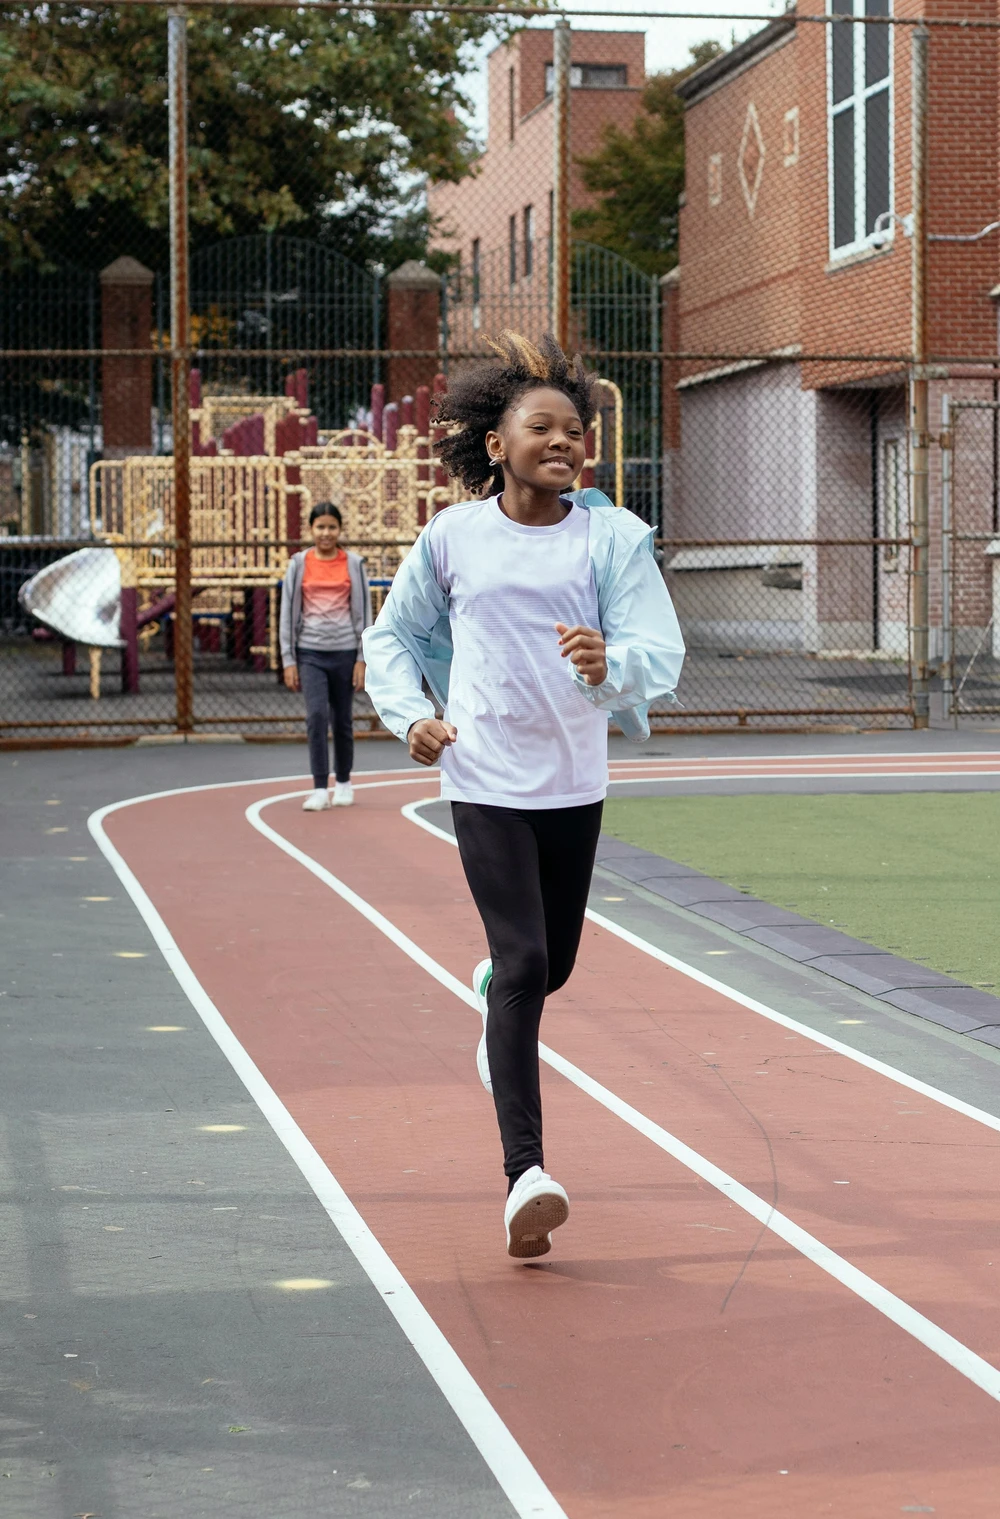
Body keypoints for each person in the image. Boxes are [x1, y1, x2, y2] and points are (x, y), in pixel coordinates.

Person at [362, 333, 684, 1259]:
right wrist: (408, 717)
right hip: (484, 773)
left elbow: (658, 651)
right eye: (540, 427)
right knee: (525, 955)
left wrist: (609, 660)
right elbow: (393, 636)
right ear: (495, 444)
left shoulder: (610, 536)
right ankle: (526, 1176)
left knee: (550, 966)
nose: (564, 442)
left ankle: (496, 986)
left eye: (575, 430)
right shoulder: (455, 536)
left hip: (573, 780)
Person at [280, 502, 372, 811]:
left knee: (342, 720)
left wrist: (362, 657)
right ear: (311, 529)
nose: (326, 533)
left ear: (339, 530)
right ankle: (320, 787)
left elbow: (363, 612)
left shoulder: (354, 564)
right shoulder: (298, 564)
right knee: (316, 717)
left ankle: (343, 782)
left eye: (332, 527)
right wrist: (288, 659)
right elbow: (287, 613)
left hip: (345, 651)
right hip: (310, 653)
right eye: (320, 527)